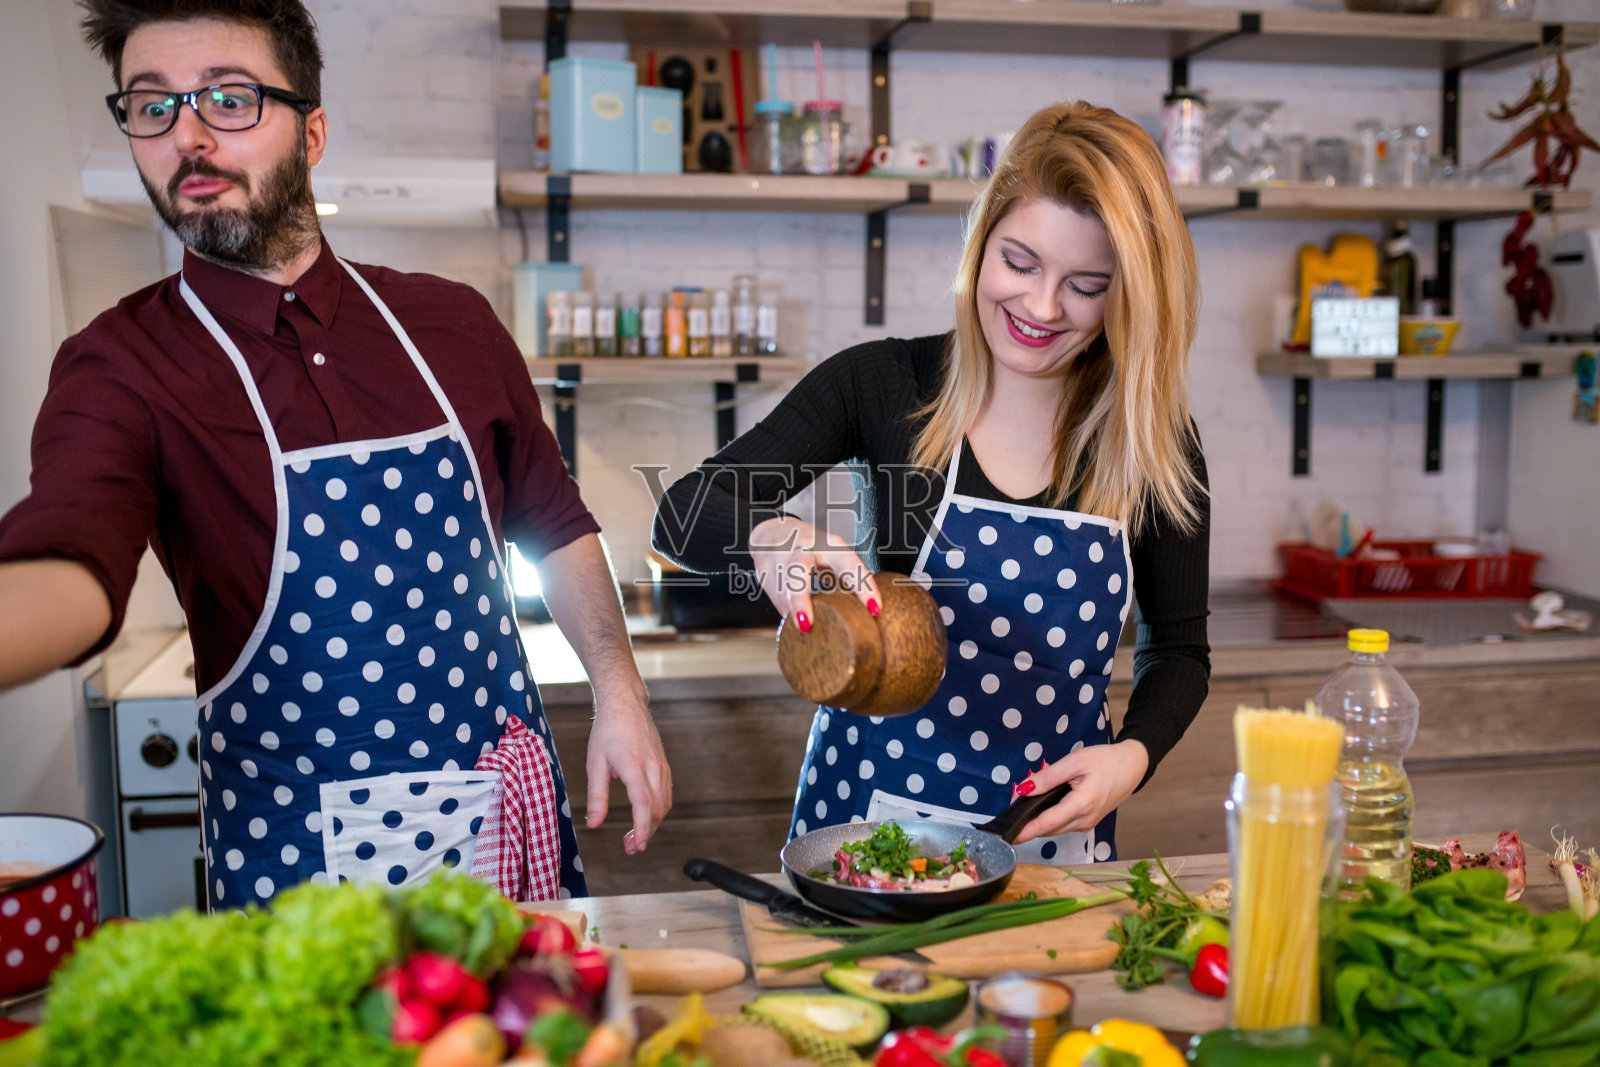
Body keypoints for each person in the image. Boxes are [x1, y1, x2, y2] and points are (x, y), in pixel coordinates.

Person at [0, 0, 670, 907]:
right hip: (301, 875)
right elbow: (71, 560)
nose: (187, 136)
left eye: (228, 99)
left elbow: (552, 524)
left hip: (506, 828)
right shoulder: (121, 365)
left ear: (312, 131)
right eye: (152, 106)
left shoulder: (451, 322)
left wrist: (617, 691)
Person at [652, 101, 1209, 865]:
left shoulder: (1149, 439)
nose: (1042, 308)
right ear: (981, 244)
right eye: (1019, 263)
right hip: (869, 828)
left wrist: (1133, 756)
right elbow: (679, 516)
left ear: (1132, 297)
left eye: (1086, 285)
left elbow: (1178, 649)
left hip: (1052, 845)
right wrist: (770, 533)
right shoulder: (883, 386)